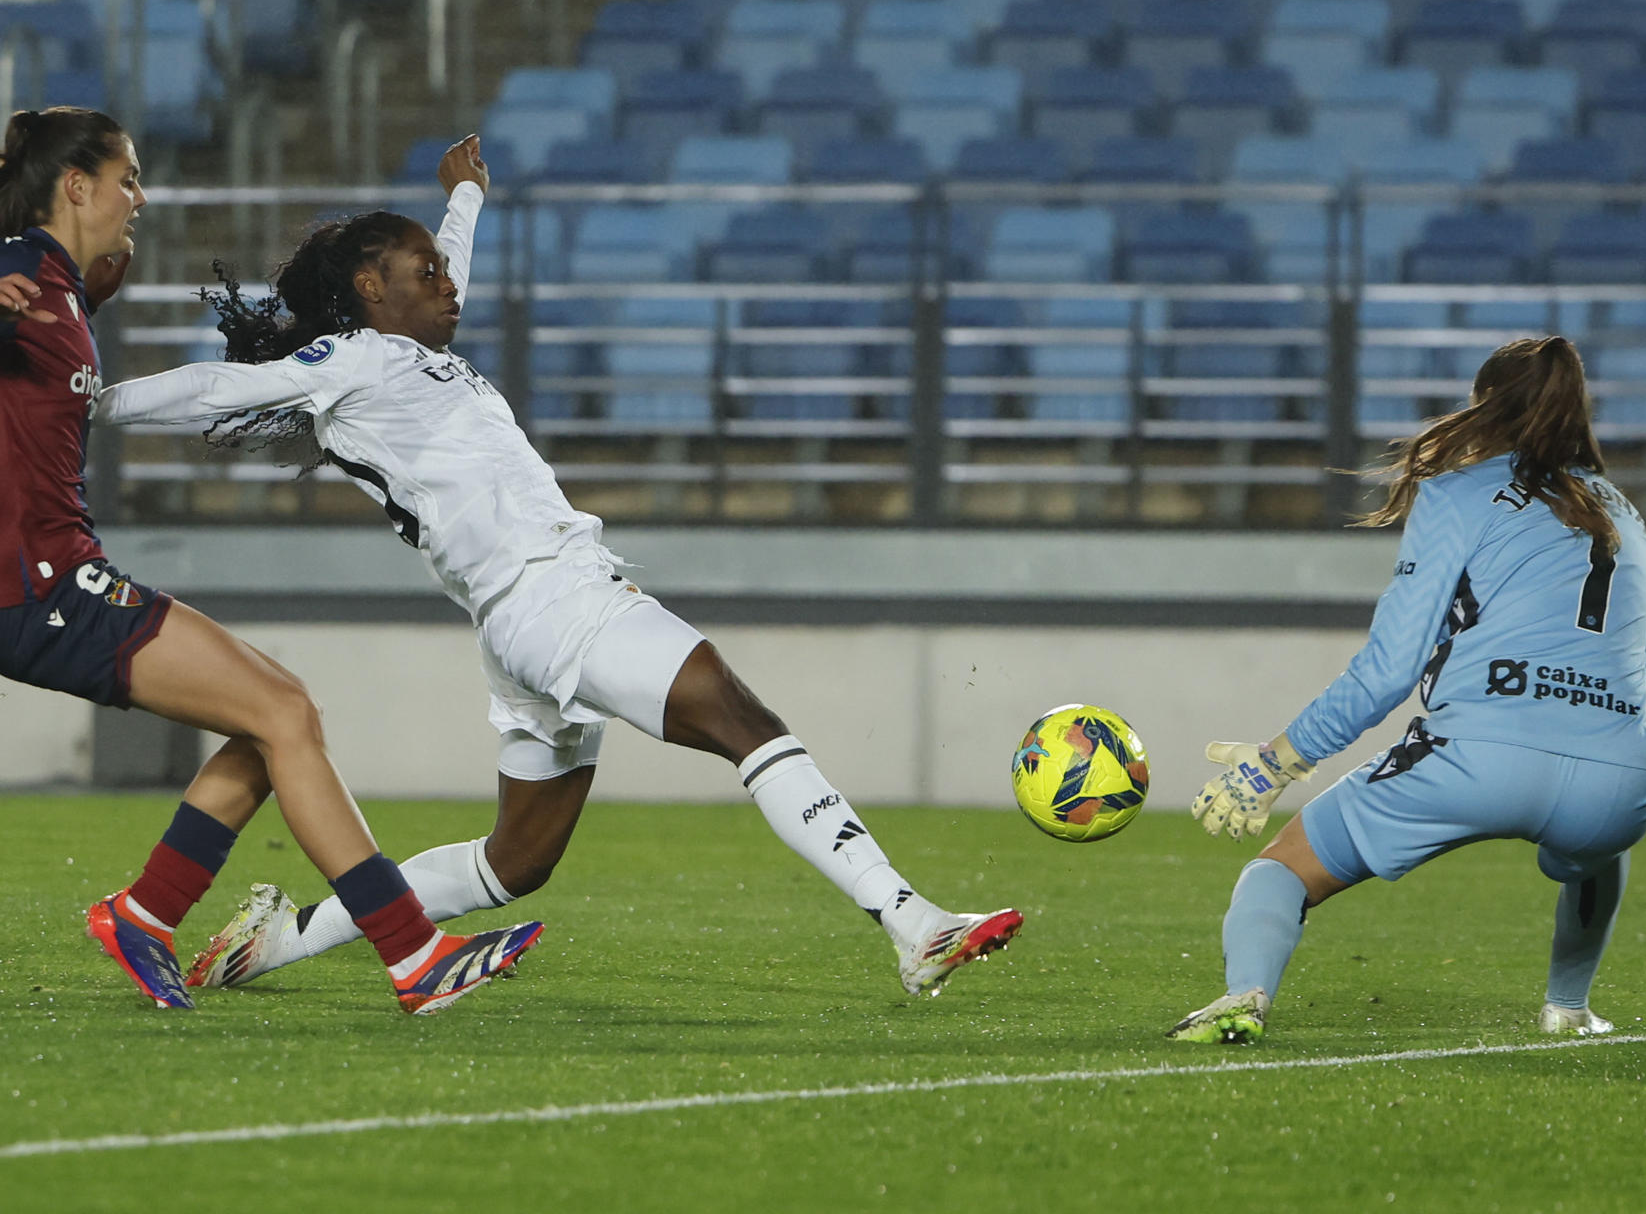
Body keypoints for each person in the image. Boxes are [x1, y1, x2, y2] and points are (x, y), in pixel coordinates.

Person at [93, 135, 1023, 999]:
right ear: (373, 288)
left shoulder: (411, 353)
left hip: (522, 621)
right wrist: (88, 398)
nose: (449, 285)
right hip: (557, 595)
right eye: (427, 274)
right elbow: (216, 387)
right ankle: (913, 923)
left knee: (517, 860)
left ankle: (282, 938)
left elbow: (446, 265)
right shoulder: (359, 359)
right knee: (748, 724)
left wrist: (463, 197)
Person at [0, 100, 537, 1016]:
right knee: (286, 713)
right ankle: (411, 955)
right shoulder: (14, 269)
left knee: (273, 724)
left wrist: (76, 299)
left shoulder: (60, 282)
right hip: (39, 587)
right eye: (127, 177)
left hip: (57, 577)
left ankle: (146, 914)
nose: (140, 194)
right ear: (77, 184)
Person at [1168, 336, 1646, 1043]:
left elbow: (1388, 671)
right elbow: (1645, 681)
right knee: (1595, 854)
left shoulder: (1458, 493)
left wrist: (1275, 762)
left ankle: (1243, 997)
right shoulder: (1625, 514)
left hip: (1483, 756)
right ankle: (1570, 1008)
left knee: (1280, 869)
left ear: (1482, 408)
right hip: (1624, 779)